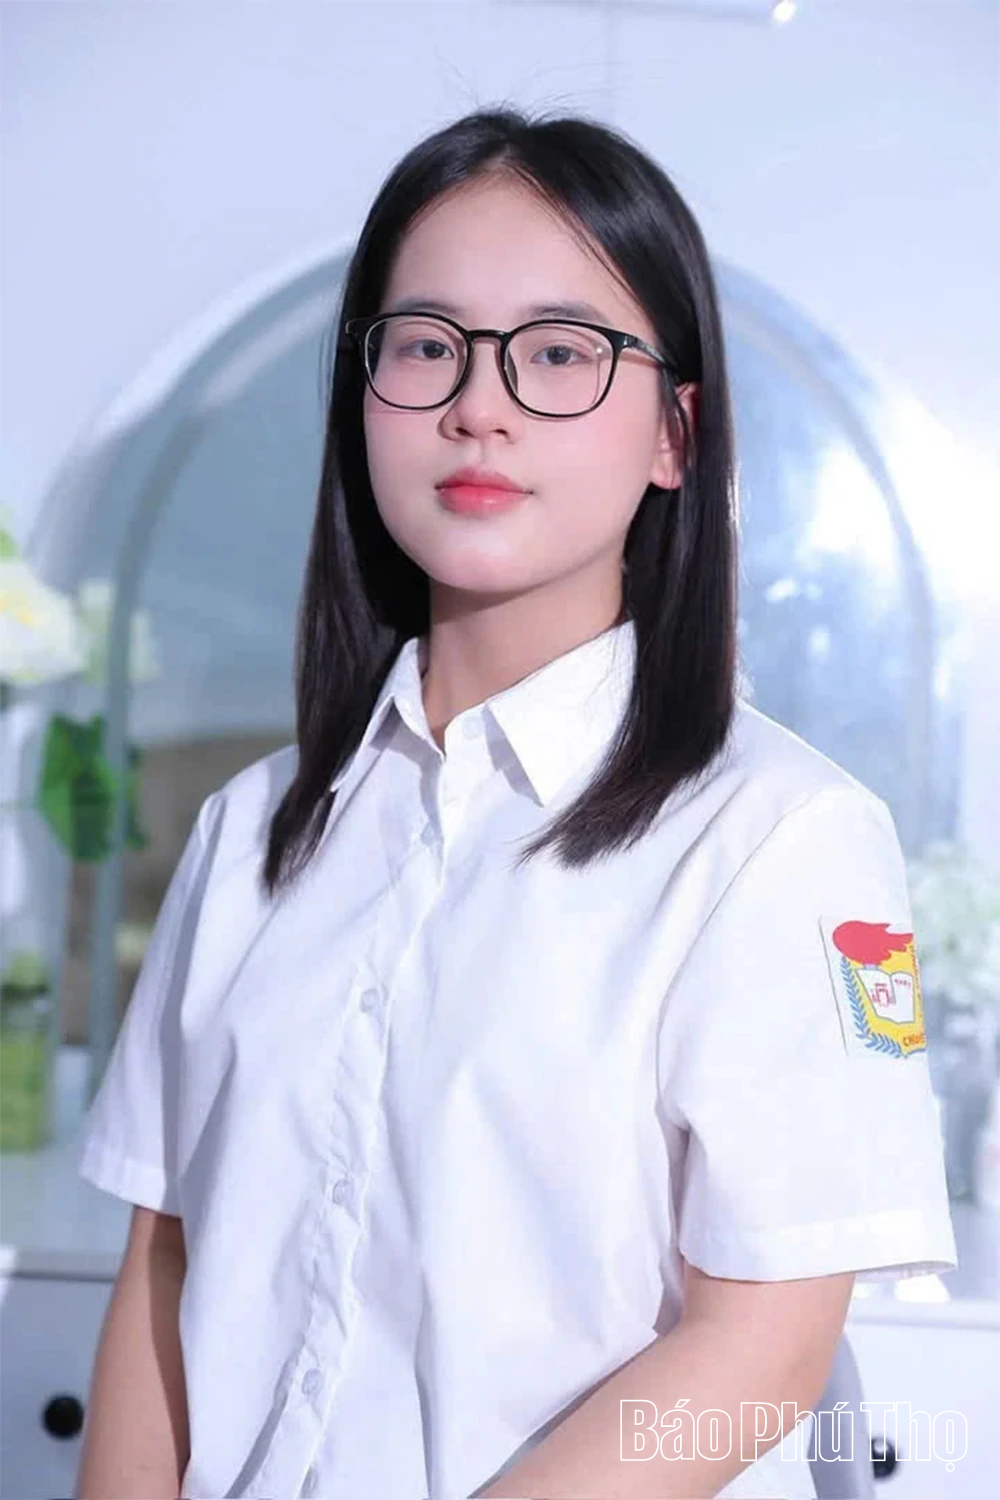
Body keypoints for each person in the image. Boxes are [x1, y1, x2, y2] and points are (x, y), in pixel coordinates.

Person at [75, 107, 957, 1500]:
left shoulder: (782, 840)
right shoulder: (248, 831)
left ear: (675, 434)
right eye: (427, 346)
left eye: (558, 353)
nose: (478, 405)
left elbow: (763, 1351)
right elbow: (165, 1260)